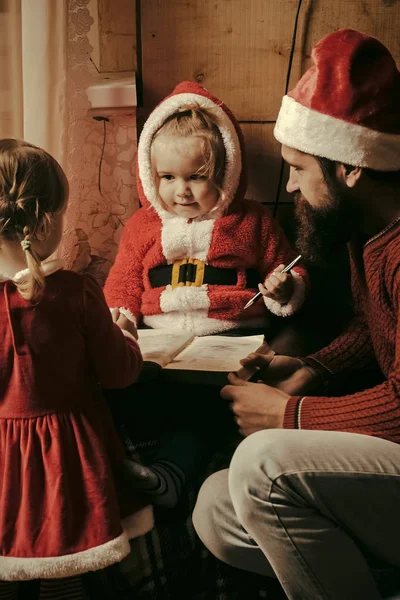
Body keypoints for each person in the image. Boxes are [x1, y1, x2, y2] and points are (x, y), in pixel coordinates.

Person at [192, 28, 400, 600]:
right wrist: (312, 368)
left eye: (300, 168)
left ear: (352, 168)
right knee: (216, 506)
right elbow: (374, 327)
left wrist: (290, 415)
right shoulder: (366, 232)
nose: (290, 185)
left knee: (262, 463)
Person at [103, 81, 309, 510]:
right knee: (126, 389)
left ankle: (171, 476)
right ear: (149, 174)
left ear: (226, 171)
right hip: (160, 342)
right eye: (167, 177)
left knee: (206, 404)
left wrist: (284, 287)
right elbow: (123, 279)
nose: (181, 190)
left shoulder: (251, 220)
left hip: (230, 338)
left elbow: (286, 265)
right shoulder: (143, 226)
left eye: (196, 178)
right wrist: (118, 319)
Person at [0, 139, 153, 596]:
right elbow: (120, 373)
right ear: (46, 222)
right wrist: (125, 333)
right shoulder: (75, 291)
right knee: (70, 565)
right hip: (67, 459)